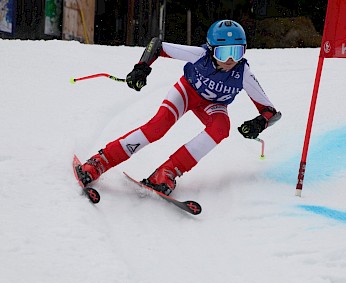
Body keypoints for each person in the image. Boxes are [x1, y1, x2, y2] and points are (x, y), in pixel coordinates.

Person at [76, 20, 281, 196]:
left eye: (237, 52)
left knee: (221, 128)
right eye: (224, 52)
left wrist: (259, 123)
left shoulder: (242, 73)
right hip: (186, 93)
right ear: (211, 49)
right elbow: (157, 45)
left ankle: (168, 172)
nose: (230, 60)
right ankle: (100, 161)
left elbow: (271, 111)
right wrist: (141, 68)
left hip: (214, 105)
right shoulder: (200, 55)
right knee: (158, 127)